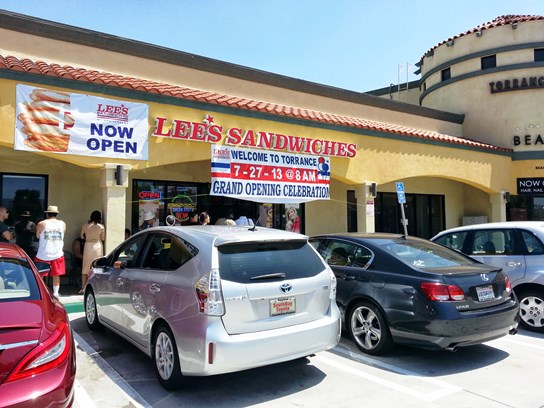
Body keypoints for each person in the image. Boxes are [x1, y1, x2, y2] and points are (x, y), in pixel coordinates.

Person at [35, 205, 66, 299]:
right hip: (57, 253)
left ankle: (41, 292)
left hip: (43, 253)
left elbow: (37, 235)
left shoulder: (41, 223)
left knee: (40, 275)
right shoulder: (63, 224)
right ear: (56, 214)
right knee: (56, 274)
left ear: (47, 214)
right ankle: (56, 293)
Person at [80, 210, 105, 294]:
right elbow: (103, 238)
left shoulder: (85, 225)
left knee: (85, 266)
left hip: (88, 246)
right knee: (96, 266)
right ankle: (97, 287)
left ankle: (83, 287)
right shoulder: (101, 227)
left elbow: (81, 236)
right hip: (97, 245)